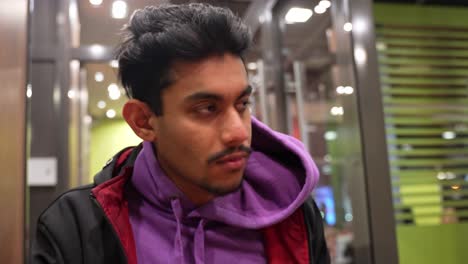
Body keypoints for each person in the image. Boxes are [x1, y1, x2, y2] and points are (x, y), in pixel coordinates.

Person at [31, 3, 330, 264]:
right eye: (206, 108)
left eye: (242, 104)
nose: (238, 132)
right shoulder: (76, 229)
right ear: (144, 121)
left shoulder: (294, 215)